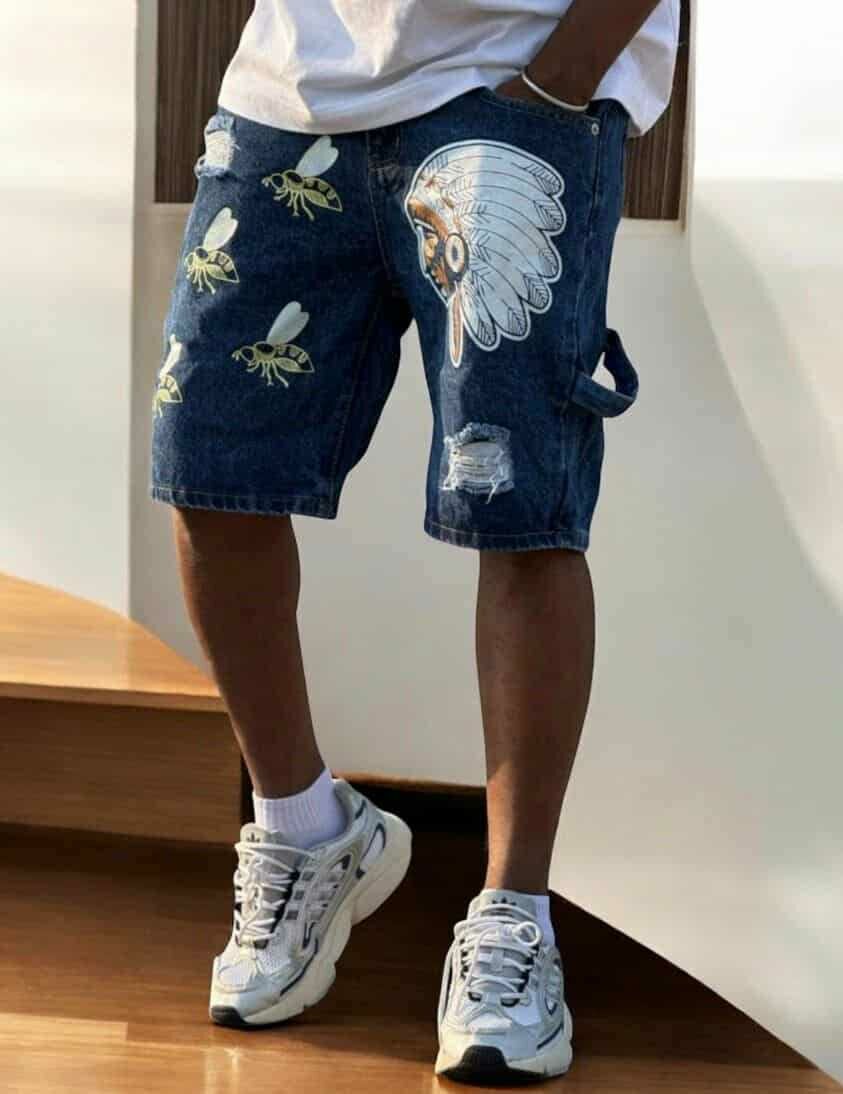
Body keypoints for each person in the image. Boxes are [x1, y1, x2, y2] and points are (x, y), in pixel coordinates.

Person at [150, 0, 679, 1082]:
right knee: (210, 468)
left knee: (521, 506)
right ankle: (306, 827)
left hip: (513, 81)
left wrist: (560, 79)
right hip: (291, 90)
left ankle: (515, 914)